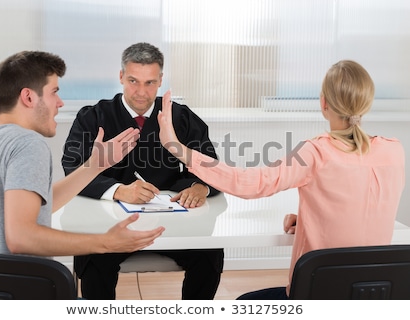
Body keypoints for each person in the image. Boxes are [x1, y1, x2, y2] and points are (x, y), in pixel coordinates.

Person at [158, 60, 405, 299]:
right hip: (372, 297)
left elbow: (250, 183)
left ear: (324, 103)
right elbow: (365, 207)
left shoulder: (316, 152)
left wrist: (176, 146)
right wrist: (317, 218)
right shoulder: (394, 151)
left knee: (243, 305)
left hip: (315, 297)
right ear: (367, 103)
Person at [0, 51, 165, 261]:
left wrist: (94, 165)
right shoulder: (28, 145)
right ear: (29, 97)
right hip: (19, 287)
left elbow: (41, 205)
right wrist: (106, 242)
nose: (60, 103)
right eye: (54, 92)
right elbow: (21, 238)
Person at [62, 42, 224, 300]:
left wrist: (199, 187)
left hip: (172, 224)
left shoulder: (180, 117)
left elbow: (211, 165)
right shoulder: (93, 117)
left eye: (150, 83)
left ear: (160, 80)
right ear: (121, 77)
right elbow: (72, 168)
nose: (140, 92)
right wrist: (118, 191)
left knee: (209, 253)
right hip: (109, 224)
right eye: (133, 81)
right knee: (94, 257)